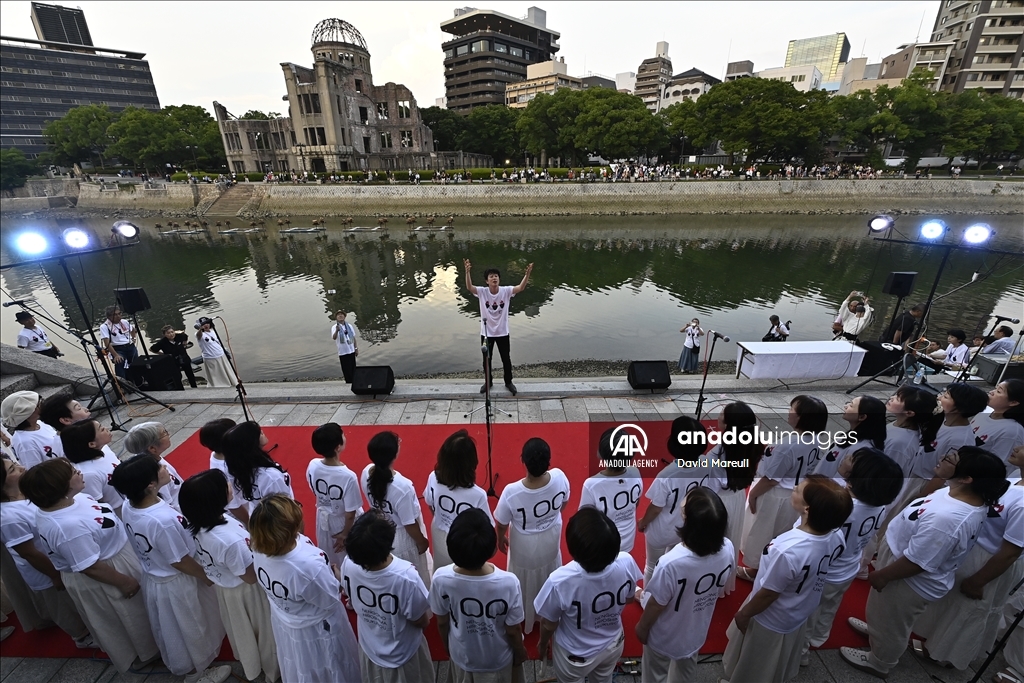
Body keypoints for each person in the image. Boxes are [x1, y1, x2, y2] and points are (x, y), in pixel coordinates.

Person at [840, 450, 1008, 678]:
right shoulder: (959, 495)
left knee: (893, 623)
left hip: (907, 580)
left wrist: (884, 575)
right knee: (885, 615)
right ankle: (878, 631)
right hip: (901, 567)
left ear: (967, 478)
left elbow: (918, 562)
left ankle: (880, 661)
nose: (942, 459)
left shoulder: (948, 518)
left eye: (950, 460)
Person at [20, 458, 159, 674]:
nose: (79, 472)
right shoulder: (68, 527)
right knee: (129, 616)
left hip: (116, 558)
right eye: (73, 472)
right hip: (106, 574)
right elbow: (90, 566)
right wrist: (124, 581)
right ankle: (145, 652)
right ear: (60, 486)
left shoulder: (73, 499)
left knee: (139, 611)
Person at [111, 455, 230, 683]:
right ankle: (198, 673)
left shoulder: (130, 504)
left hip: (158, 574)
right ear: (150, 485)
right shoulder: (161, 520)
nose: (165, 468)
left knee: (183, 623)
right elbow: (179, 560)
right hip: (178, 580)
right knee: (190, 625)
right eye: (159, 468)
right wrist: (206, 577)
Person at [723, 476, 852, 683]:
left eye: (798, 490)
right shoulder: (835, 535)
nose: (793, 488)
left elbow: (769, 593)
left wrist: (744, 614)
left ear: (807, 509)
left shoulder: (788, 550)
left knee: (756, 665)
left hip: (770, 615)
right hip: (797, 609)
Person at [909, 444, 1022, 670]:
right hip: (972, 546)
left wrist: (979, 580)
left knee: (967, 608)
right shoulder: (1015, 478)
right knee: (949, 603)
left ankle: (946, 654)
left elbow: (1011, 552)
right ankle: (932, 640)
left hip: (988, 560)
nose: (1018, 447)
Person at [803, 450, 903, 663]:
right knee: (829, 606)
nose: (845, 458)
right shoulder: (878, 505)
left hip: (826, 569)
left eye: (852, 460)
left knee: (807, 613)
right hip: (848, 566)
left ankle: (800, 651)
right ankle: (819, 636)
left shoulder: (840, 505)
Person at [179, 469, 279, 683]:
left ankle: (256, 666)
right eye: (226, 484)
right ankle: (273, 671)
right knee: (264, 634)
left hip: (228, 588)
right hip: (247, 591)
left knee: (243, 631)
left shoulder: (206, 524)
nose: (231, 486)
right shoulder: (228, 541)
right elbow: (251, 577)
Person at [250, 495, 361, 683]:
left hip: (286, 619)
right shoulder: (306, 567)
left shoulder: (259, 547)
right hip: (316, 629)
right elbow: (329, 599)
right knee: (330, 668)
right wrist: (335, 577)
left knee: (299, 666)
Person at [635, 487, 735, 683]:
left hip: (664, 633)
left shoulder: (671, 563)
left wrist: (642, 627)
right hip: (696, 629)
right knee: (686, 671)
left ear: (686, 518)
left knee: (655, 674)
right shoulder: (728, 548)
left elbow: (657, 604)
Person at [534, 507, 642, 683]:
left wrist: (542, 642)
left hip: (575, 655)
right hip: (613, 643)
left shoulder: (560, 580)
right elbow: (629, 597)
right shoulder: (626, 562)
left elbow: (548, 623)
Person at [0, 457, 94, 648]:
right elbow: (29, 553)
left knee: (74, 599)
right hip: (45, 568)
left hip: (58, 559)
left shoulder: (26, 492)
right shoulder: (8, 516)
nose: (21, 467)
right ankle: (81, 636)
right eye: (12, 470)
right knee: (62, 605)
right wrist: (54, 575)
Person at [429, 508, 527, 683]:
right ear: (491, 548)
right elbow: (513, 630)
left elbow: (442, 621)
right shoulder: (508, 582)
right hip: (498, 658)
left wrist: (447, 646)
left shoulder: (441, 578)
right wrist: (520, 652)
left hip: (463, 656)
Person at [739, 395, 829, 581]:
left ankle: (755, 570)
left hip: (775, 494)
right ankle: (769, 566)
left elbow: (771, 479)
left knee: (763, 531)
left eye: (793, 409)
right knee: (780, 531)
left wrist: (753, 495)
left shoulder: (787, 445)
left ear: (803, 417)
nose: (789, 412)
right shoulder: (814, 439)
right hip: (794, 491)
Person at [341, 509, 433, 683]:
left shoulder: (349, 563)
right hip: (403, 653)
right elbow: (420, 619)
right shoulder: (405, 576)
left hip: (370, 646)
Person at [494, 437, 570, 634]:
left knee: (524, 578)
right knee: (548, 570)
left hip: (523, 545)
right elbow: (564, 502)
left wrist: (500, 537)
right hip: (551, 537)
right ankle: (548, 608)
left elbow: (501, 522)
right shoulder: (560, 477)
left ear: (524, 462)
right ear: (548, 462)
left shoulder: (512, 491)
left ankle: (524, 613)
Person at [638, 416, 725, 587]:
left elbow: (656, 507)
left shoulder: (667, 475)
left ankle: (648, 596)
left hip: (662, 528)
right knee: (674, 560)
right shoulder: (708, 462)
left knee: (652, 565)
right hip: (687, 525)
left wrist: (643, 522)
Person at [361, 431, 431, 587]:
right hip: (402, 538)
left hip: (381, 528)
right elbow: (409, 523)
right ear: (394, 454)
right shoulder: (402, 486)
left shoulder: (366, 472)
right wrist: (421, 541)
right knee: (411, 578)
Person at [423, 429, 493, 569]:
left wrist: (444, 519)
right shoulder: (477, 494)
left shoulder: (433, 477)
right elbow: (487, 527)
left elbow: (430, 504)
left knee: (442, 569)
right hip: (467, 542)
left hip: (440, 532)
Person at [463, 258, 534, 396]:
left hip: (502, 332)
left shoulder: (506, 291)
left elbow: (520, 288)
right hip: (486, 333)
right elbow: (469, 287)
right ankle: (488, 382)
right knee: (486, 360)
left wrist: (527, 275)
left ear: (499, 279)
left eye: (496, 276)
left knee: (506, 359)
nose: (494, 278)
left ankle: (508, 382)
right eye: (491, 276)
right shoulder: (482, 292)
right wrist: (467, 272)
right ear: (486, 281)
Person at [306, 422, 363, 567]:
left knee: (330, 556)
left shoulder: (313, 464)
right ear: (338, 447)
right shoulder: (348, 476)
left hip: (323, 519)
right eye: (343, 435)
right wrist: (344, 534)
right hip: (343, 522)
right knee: (350, 558)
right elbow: (350, 513)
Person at [580, 427, 643, 552]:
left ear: (600, 453)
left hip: (602, 541)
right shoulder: (635, 472)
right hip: (627, 537)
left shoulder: (591, 484)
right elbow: (636, 503)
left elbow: (585, 518)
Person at [221, 421, 293, 518]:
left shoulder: (233, 466)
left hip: (257, 516)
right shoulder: (271, 477)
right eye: (258, 432)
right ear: (251, 443)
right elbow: (283, 509)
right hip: (278, 523)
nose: (262, 432)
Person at [813, 396, 886, 479]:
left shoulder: (859, 449)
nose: (846, 406)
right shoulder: (853, 436)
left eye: (851, 405)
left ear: (862, 417)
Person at [60, 420, 124, 513]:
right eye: (102, 429)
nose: (107, 429)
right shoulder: (88, 474)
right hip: (118, 509)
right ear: (92, 444)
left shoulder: (104, 448)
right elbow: (97, 505)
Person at [123, 422, 184, 511]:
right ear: (152, 448)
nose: (168, 434)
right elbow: (169, 503)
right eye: (165, 433)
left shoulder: (152, 457)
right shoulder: (156, 474)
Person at [971, 379, 1024, 471]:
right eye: (995, 388)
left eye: (998, 391)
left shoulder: (1011, 431)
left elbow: (999, 467)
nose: (991, 392)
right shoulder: (985, 412)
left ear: (1013, 402)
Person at [1, 390, 57, 468]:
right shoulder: (25, 443)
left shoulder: (41, 423)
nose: (43, 405)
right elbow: (36, 472)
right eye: (39, 404)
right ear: (28, 413)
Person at [195, 318, 237, 388]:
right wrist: (200, 328)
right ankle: (218, 385)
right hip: (210, 357)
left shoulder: (213, 331)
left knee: (227, 370)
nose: (206, 325)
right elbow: (198, 335)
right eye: (204, 324)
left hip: (220, 354)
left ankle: (231, 381)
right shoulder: (199, 334)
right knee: (216, 374)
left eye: (207, 323)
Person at [99, 306, 137, 379]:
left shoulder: (124, 322)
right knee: (120, 364)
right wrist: (115, 355)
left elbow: (133, 330)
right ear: (109, 316)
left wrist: (133, 338)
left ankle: (136, 381)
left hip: (130, 346)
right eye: (115, 315)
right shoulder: (104, 326)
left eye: (119, 314)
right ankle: (122, 384)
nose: (118, 316)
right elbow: (107, 343)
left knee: (135, 364)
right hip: (118, 349)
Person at [331, 311, 359, 384]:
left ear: (344, 316)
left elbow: (353, 337)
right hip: (343, 352)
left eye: (342, 315)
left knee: (353, 367)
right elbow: (334, 337)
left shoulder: (349, 326)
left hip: (351, 350)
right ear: (336, 318)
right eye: (338, 315)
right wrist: (337, 330)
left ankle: (355, 382)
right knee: (346, 369)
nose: (340, 316)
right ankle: (349, 383)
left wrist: (356, 348)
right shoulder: (334, 327)